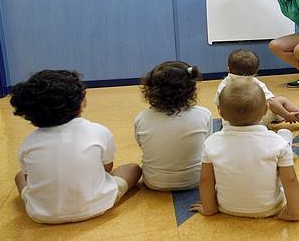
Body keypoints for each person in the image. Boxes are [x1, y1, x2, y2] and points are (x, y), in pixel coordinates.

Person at [11, 70, 141, 224]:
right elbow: (107, 168)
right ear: (81, 103)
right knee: (133, 168)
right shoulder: (98, 130)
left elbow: (28, 178)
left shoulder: (29, 142)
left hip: (41, 214)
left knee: (19, 176)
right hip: (97, 206)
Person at [190, 78, 299, 221]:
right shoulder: (277, 142)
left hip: (226, 207)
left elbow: (206, 179)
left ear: (220, 112)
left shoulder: (212, 142)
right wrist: (294, 212)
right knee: (283, 143)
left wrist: (209, 208)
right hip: (269, 208)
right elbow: (290, 180)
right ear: (265, 110)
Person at [134, 61, 213, 191]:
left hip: (154, 182)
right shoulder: (204, 114)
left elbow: (142, 144)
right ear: (191, 89)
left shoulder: (142, 118)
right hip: (195, 180)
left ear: (150, 90)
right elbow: (206, 146)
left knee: (133, 168)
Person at [214, 49, 299, 127]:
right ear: (255, 72)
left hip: (230, 124)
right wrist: (287, 115)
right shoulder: (254, 83)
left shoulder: (223, 84)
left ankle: (277, 116)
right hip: (255, 123)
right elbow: (272, 103)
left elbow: (219, 106)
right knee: (281, 100)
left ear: (228, 68)